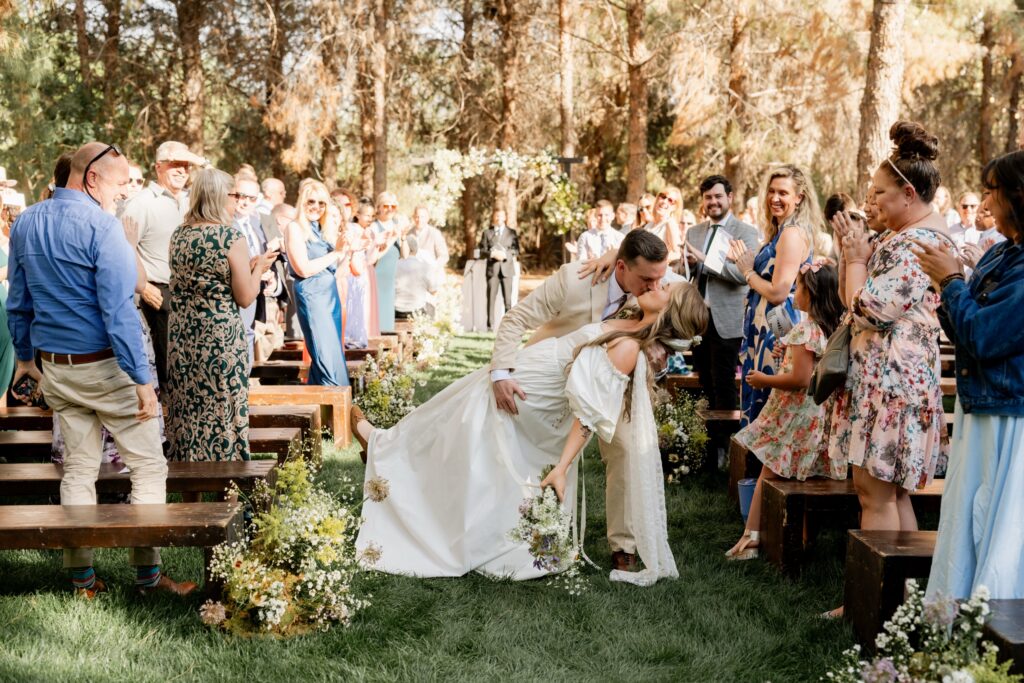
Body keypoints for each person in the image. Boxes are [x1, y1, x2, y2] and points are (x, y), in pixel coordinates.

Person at [354, 279, 708, 585]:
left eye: (665, 288)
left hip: (534, 396)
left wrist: (562, 467)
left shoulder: (630, 347)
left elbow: (589, 412)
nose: (657, 283)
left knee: (463, 437)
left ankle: (389, 456)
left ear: (669, 312)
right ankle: (388, 449)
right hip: (528, 372)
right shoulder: (631, 321)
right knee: (454, 424)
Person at [7, 142, 194, 597]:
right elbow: (118, 312)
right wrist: (143, 381)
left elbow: (19, 301)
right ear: (91, 178)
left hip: (57, 369)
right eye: (119, 183)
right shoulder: (103, 226)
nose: (123, 192)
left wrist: (26, 360)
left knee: (77, 470)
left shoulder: (27, 221)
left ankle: (83, 581)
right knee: (148, 467)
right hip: (107, 369)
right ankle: (149, 579)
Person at [489, 230, 681, 572]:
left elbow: (686, 306)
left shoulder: (654, 286)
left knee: (626, 447)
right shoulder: (574, 280)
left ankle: (624, 545)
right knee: (524, 447)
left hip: (614, 380)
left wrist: (659, 346)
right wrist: (501, 372)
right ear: (621, 267)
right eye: (647, 280)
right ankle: (520, 523)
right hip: (552, 376)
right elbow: (516, 318)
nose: (655, 286)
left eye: (659, 279)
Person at [824, 122, 950, 617]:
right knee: (890, 492)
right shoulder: (905, 237)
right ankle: (898, 601)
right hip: (892, 381)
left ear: (908, 193)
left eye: (879, 192)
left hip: (892, 384)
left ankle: (869, 601)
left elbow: (871, 308)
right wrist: (852, 256)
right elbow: (850, 301)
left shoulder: (916, 244)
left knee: (875, 492)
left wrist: (857, 258)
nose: (871, 200)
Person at [914, 149, 1024, 601]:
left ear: (1018, 196)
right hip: (981, 406)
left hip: (1010, 418)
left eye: (991, 192)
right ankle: (953, 614)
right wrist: (946, 282)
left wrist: (951, 281)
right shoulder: (1001, 254)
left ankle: (991, 623)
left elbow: (984, 336)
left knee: (1001, 529)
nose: (986, 203)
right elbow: (964, 326)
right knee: (965, 520)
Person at [725, 261, 846, 560]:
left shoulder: (806, 330)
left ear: (812, 294)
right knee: (802, 478)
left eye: (799, 288)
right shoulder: (830, 328)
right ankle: (800, 538)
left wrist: (763, 379)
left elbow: (800, 380)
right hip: (815, 417)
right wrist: (788, 354)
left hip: (795, 418)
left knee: (769, 472)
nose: (794, 294)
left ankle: (751, 537)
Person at [167, 168, 276, 462]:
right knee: (223, 412)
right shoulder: (229, 237)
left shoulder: (179, 234)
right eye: (234, 195)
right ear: (218, 196)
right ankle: (228, 480)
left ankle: (189, 482)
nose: (237, 201)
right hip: (219, 340)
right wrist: (258, 268)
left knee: (189, 414)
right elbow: (245, 296)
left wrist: (248, 267)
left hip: (183, 339)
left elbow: (202, 280)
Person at [727, 164, 819, 426]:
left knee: (770, 399)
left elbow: (778, 292)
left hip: (777, 326)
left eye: (783, 193)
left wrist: (747, 271)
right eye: (771, 191)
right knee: (760, 393)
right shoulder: (779, 231)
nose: (774, 198)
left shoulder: (791, 234)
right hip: (764, 323)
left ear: (799, 197)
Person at [120, 140, 206, 387]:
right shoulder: (141, 203)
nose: (182, 170)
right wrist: (143, 287)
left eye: (186, 165)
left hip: (191, 294)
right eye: (174, 164)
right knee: (168, 372)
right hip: (159, 296)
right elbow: (121, 249)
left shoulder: (192, 201)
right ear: (158, 167)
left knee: (191, 370)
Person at [685, 175, 760, 418]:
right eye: (708, 197)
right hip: (698, 318)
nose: (713, 202)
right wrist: (689, 264)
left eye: (718, 196)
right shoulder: (694, 232)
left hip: (727, 319)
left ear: (729, 197)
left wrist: (706, 261)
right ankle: (706, 439)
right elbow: (685, 274)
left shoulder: (745, 232)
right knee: (704, 382)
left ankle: (725, 440)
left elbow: (744, 275)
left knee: (723, 382)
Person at [284, 180, 350, 387]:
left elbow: (335, 268)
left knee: (333, 355)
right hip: (312, 296)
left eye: (322, 203)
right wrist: (336, 253)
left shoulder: (323, 230)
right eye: (311, 201)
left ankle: (323, 404)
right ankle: (334, 399)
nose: (316, 207)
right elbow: (303, 269)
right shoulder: (294, 228)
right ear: (302, 202)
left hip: (330, 296)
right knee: (325, 357)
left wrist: (348, 250)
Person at [230, 176, 273, 367]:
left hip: (257, 295)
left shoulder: (257, 224)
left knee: (248, 336)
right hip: (235, 294)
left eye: (251, 198)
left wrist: (271, 277)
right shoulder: (225, 224)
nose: (245, 202)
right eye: (241, 196)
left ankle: (243, 381)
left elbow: (264, 258)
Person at [479, 208, 520, 330]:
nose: (499, 218)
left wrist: (505, 255)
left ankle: (508, 326)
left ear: (505, 218)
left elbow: (516, 250)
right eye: (497, 216)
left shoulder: (512, 233)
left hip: (507, 270)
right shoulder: (487, 233)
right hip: (492, 271)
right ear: (493, 217)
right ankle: (490, 326)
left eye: (501, 216)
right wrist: (492, 254)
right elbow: (481, 251)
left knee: (508, 300)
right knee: (491, 299)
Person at [370, 191, 402, 333]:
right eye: (386, 206)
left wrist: (402, 236)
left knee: (388, 320)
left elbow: (404, 254)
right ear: (378, 207)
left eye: (393, 206)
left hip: (392, 279)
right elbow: (374, 256)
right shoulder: (374, 227)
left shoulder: (397, 226)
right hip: (377, 277)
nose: (389, 209)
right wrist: (392, 238)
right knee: (377, 316)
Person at [394, 236, 440, 319]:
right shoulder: (426, 267)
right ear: (417, 249)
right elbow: (434, 291)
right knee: (431, 309)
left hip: (396, 311)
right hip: (417, 311)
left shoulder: (394, 266)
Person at [642, 187, 684, 262]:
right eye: (663, 196)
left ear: (674, 207)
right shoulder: (649, 225)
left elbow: (678, 254)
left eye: (670, 200)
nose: (664, 201)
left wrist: (656, 261)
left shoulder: (670, 223)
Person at [406, 206, 449, 279]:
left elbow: (444, 256)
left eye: (422, 217)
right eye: (417, 216)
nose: (419, 219)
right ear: (413, 217)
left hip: (432, 276)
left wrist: (434, 266)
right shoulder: (409, 234)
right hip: (414, 276)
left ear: (427, 218)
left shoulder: (435, 233)